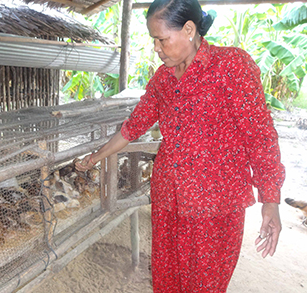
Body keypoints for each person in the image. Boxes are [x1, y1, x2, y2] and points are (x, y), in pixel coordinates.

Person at [75, 0, 286, 292]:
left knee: (205, 285)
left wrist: (270, 200)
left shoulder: (232, 66)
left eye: (161, 40)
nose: (156, 49)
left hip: (215, 206)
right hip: (168, 200)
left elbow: (260, 136)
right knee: (167, 281)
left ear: (189, 29)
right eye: (154, 41)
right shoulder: (163, 79)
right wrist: (98, 155)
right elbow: (133, 126)